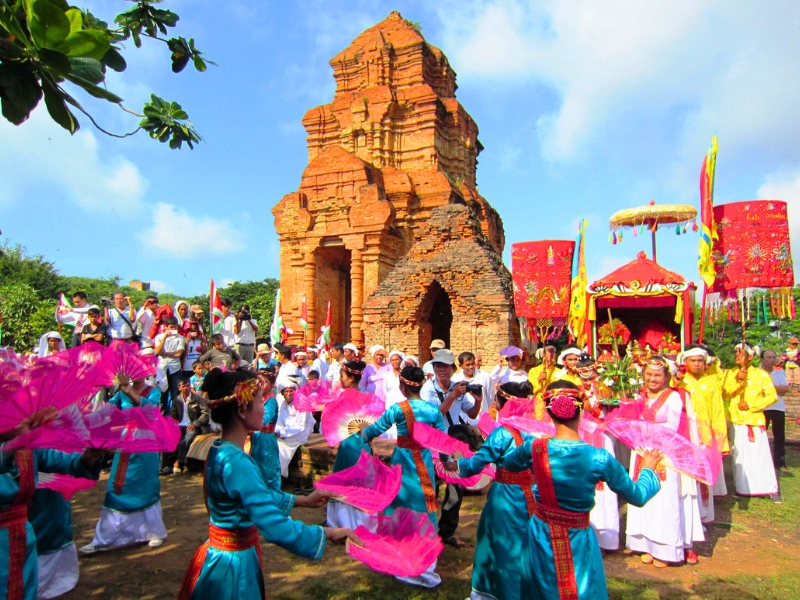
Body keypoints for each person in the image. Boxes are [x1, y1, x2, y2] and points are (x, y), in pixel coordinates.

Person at [177, 368, 360, 600]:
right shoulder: (238, 463)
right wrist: (327, 533)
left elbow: (254, 497)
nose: (264, 407)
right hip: (233, 567)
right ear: (243, 409)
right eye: (259, 401)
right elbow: (274, 526)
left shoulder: (219, 451)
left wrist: (302, 500)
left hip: (217, 554)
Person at [503, 381, 663, 599]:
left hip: (541, 532)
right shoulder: (599, 458)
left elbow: (509, 464)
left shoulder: (534, 448)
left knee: (540, 589)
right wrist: (647, 470)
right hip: (577, 536)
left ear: (550, 413)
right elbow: (638, 495)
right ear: (580, 411)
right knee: (580, 588)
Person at [360, 366, 448, 588]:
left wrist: (361, 434)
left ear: (402, 386)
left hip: (403, 463)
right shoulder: (433, 410)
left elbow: (376, 428)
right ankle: (425, 560)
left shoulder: (398, 409)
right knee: (424, 505)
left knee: (400, 504)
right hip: (424, 463)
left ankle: (401, 554)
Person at [452, 381, 535, 600]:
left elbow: (475, 465)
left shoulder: (502, 434)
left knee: (499, 544)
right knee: (529, 543)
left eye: (496, 398)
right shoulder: (536, 430)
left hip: (506, 495)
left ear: (502, 403)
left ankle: (494, 594)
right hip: (533, 495)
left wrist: (459, 462)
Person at [625, 356, 704, 567]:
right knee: (643, 496)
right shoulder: (638, 395)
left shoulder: (673, 397)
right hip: (641, 450)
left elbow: (673, 424)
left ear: (667, 376)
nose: (652, 379)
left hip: (664, 453)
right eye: (648, 374)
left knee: (663, 499)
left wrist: (649, 431)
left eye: (657, 375)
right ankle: (645, 545)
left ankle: (666, 549)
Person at [1, 442, 102, 600]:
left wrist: (86, 459)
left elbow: (60, 460)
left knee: (23, 587)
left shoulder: (28, 450)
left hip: (21, 536)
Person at [80, 376, 167, 554]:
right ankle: (102, 539)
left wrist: (129, 391)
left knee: (146, 486)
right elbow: (105, 412)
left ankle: (153, 531)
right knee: (117, 487)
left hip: (146, 444)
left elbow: (152, 411)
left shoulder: (153, 391)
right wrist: (87, 410)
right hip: (126, 442)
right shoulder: (121, 394)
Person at [420, 349, 480, 549]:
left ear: (453, 369)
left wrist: (478, 400)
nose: (441, 369)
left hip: (454, 444)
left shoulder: (458, 387)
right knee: (432, 488)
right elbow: (434, 415)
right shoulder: (427, 389)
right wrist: (453, 396)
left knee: (456, 488)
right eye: (437, 365)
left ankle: (447, 532)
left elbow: (470, 412)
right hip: (434, 444)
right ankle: (426, 531)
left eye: (445, 366)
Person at [721, 343, 781, 503]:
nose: (737, 356)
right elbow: (724, 394)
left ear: (751, 356)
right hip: (736, 420)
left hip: (754, 420)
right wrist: (736, 379)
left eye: (741, 353)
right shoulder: (729, 373)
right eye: (736, 353)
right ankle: (742, 488)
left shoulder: (761, 375)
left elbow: (772, 396)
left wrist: (751, 405)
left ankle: (769, 488)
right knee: (740, 457)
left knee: (760, 455)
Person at [676, 345, 729, 519]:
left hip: (705, 435)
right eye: (693, 361)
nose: (697, 364)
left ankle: (704, 515)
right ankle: (689, 516)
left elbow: (718, 413)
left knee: (704, 474)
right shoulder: (679, 382)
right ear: (685, 362)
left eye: (700, 361)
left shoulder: (712, 382)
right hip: (685, 435)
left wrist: (721, 442)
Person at [169, 377, 210, 474]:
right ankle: (164, 465)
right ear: (179, 388)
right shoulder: (176, 400)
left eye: (188, 385)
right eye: (184, 386)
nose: (186, 388)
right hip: (180, 425)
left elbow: (205, 415)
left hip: (193, 426)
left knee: (187, 438)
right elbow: (173, 414)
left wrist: (195, 423)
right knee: (167, 436)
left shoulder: (198, 399)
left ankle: (179, 462)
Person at [250, 368, 281, 490]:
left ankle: (272, 495)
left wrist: (250, 424)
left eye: (265, 382)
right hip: (256, 436)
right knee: (256, 466)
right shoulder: (257, 399)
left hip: (266, 438)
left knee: (268, 466)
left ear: (272, 384)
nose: (261, 385)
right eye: (259, 382)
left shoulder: (271, 400)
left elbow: (266, 419)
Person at [275, 381, 314, 478]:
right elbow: (279, 422)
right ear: (282, 393)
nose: (288, 394)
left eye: (291, 391)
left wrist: (284, 434)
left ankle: (279, 474)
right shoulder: (283, 404)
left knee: (281, 446)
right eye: (286, 391)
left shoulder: (302, 403)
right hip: (286, 435)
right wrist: (280, 432)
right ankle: (279, 473)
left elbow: (300, 426)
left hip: (300, 434)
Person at [760, 349, 788, 474]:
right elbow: (758, 390)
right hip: (763, 407)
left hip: (778, 407)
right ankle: (762, 460)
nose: (771, 360)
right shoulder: (757, 373)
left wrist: (769, 388)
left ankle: (780, 461)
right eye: (768, 357)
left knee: (779, 436)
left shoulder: (779, 373)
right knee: (761, 435)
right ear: (762, 359)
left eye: (773, 357)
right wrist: (777, 389)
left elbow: (785, 389)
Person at [452, 351, 493, 418]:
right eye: (467, 365)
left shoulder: (485, 376)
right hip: (463, 420)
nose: (471, 367)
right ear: (460, 366)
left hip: (481, 418)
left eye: (473, 364)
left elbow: (490, 397)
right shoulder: (455, 379)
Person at [528, 345, 557, 418]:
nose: (553, 354)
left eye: (554, 352)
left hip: (553, 405)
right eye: (550, 352)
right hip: (539, 405)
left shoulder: (558, 372)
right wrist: (539, 379)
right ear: (543, 354)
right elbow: (530, 389)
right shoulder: (534, 371)